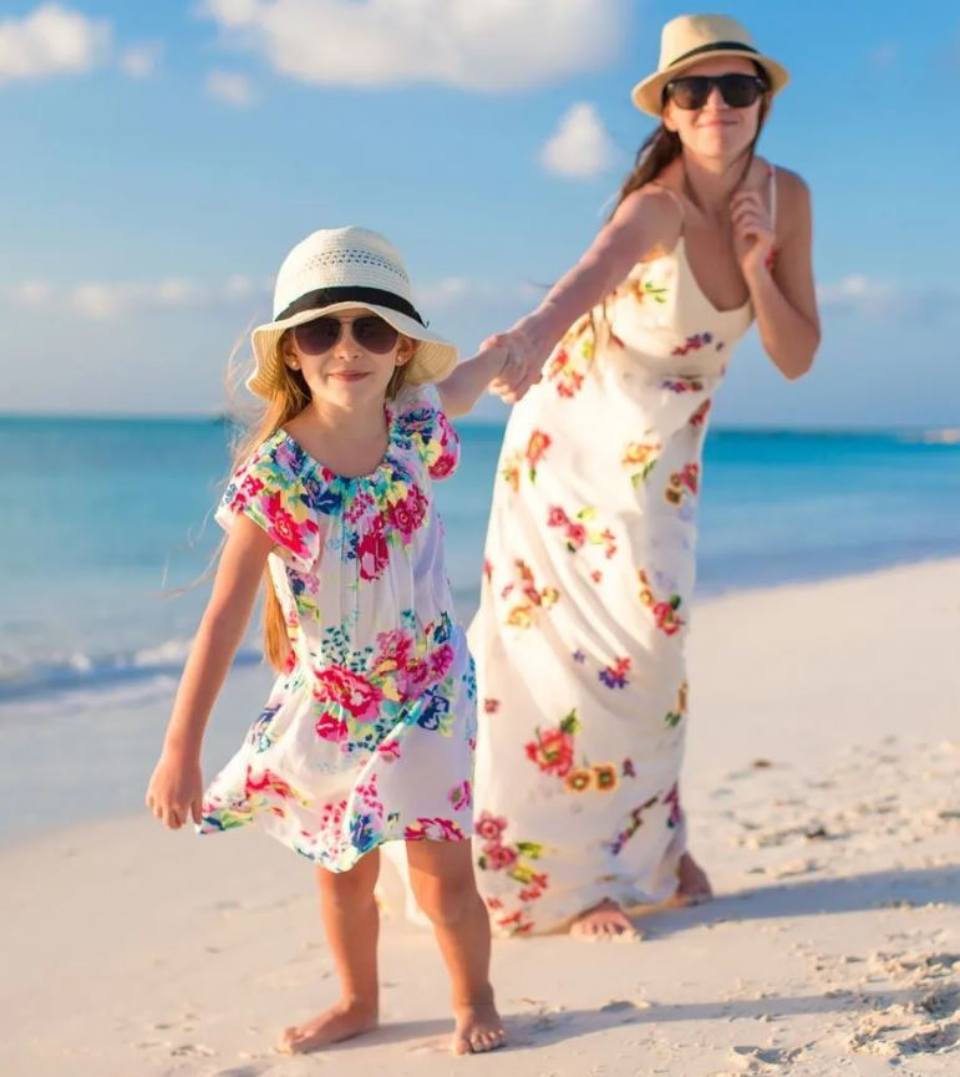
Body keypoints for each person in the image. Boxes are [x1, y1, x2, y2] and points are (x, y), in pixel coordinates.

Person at [469, 13, 821, 938]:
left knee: (652, 657)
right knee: (564, 657)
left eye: (736, 88)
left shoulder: (787, 199)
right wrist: (523, 342)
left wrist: (757, 263)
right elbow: (581, 281)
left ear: (762, 101)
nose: (716, 106)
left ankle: (651, 848)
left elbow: (795, 356)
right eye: (693, 91)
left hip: (663, 462)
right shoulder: (653, 208)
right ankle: (574, 881)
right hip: (572, 453)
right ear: (667, 110)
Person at [146, 226, 508, 1053]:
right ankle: (358, 999)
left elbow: (463, 387)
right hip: (334, 702)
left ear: (400, 346)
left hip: (425, 688)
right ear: (295, 355)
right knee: (342, 869)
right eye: (321, 330)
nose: (347, 347)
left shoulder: (413, 421)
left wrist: (503, 353)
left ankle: (473, 997)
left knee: (441, 877)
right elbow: (222, 616)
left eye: (370, 328)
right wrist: (181, 749)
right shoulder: (276, 476)